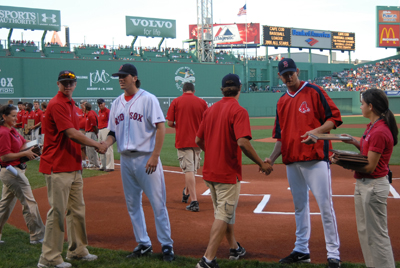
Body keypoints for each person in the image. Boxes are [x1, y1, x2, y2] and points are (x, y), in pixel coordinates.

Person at [265, 58, 342, 268]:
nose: (289, 77)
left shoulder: (314, 91)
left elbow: (334, 118)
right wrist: (271, 159)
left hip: (315, 159)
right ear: (279, 77)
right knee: (300, 207)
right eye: (284, 75)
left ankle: (333, 253)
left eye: (291, 73)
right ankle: (301, 250)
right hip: (291, 161)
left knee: (325, 206)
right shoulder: (281, 101)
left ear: (298, 71)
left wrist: (316, 132)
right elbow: (280, 137)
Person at [195, 74, 273, 268]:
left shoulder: (210, 111)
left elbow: (198, 141)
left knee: (223, 212)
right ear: (240, 88)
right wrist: (261, 164)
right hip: (227, 172)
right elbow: (243, 143)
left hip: (210, 172)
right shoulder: (238, 111)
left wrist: (212, 152)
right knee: (223, 214)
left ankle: (234, 248)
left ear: (222, 89)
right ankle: (207, 259)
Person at [101, 63, 174, 262]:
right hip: (125, 159)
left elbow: (161, 127)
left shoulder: (148, 99)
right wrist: (106, 144)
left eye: (124, 76)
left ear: (134, 78)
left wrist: (155, 155)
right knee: (133, 204)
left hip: (146, 158)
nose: (121, 79)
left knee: (158, 203)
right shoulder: (116, 103)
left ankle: (167, 245)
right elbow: (113, 132)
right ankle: (143, 243)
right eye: (119, 76)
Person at [37, 70, 107, 268]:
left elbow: (76, 135)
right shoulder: (57, 104)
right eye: (64, 82)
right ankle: (49, 258)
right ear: (58, 84)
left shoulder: (73, 105)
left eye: (71, 82)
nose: (68, 85)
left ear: (75, 84)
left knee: (77, 210)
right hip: (57, 166)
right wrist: (97, 145)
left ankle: (77, 250)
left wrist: (82, 160)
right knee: (58, 212)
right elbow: (71, 134)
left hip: (73, 166)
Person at [332, 88, 397, 268]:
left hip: (373, 186)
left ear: (371, 106)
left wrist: (342, 162)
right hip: (365, 185)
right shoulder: (373, 127)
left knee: (377, 236)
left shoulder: (379, 131)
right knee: (366, 233)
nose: (360, 107)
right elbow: (368, 148)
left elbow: (369, 166)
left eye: (362, 104)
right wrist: (353, 141)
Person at [0, 104, 45, 245]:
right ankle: (37, 236)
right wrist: (25, 153)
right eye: (13, 115)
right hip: (11, 171)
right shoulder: (3, 132)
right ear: (4, 117)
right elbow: (4, 157)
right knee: (29, 202)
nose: (16, 117)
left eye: (16, 115)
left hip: (13, 170)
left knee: (5, 206)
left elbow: (24, 141)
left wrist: (35, 145)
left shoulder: (12, 130)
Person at [166, 82, 208, 212]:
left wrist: (179, 126)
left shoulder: (176, 102)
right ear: (193, 91)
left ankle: (194, 201)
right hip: (198, 141)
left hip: (183, 141)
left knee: (189, 170)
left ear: (183, 90)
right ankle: (186, 192)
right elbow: (207, 123)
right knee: (192, 170)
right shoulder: (202, 102)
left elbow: (169, 123)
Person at [97, 98, 114, 172]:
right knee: (100, 147)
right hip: (100, 130)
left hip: (106, 129)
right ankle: (103, 165)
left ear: (104, 103)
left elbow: (111, 121)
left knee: (108, 148)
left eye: (101, 103)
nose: (100, 105)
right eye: (99, 104)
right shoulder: (99, 112)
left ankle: (110, 166)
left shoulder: (107, 111)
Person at [84, 102, 100, 169]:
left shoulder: (91, 114)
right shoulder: (89, 113)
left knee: (92, 149)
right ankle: (91, 163)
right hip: (88, 133)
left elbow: (94, 126)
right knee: (88, 149)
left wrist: (96, 133)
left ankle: (94, 164)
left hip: (91, 133)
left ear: (85, 108)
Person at [77, 100, 87, 168]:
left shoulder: (88, 112)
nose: (85, 105)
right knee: (81, 147)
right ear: (81, 105)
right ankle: (82, 161)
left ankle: (85, 161)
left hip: (87, 130)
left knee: (86, 147)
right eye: (84, 104)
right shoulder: (78, 111)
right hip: (80, 130)